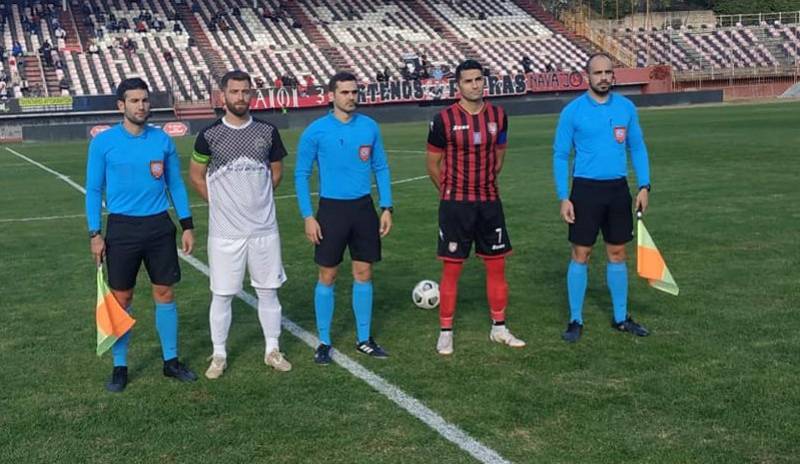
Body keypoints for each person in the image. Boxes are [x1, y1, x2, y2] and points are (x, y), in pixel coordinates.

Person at [85, 78, 197, 392]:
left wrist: (187, 225)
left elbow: (176, 185)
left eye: (145, 100)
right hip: (122, 228)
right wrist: (95, 233)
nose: (141, 106)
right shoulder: (103, 143)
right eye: (134, 100)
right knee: (122, 298)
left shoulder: (162, 140)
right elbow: (93, 190)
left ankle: (171, 362)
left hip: (159, 226)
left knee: (165, 292)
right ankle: (120, 366)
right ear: (121, 105)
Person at [189, 70, 292, 379]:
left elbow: (276, 171)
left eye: (245, 91)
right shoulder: (208, 135)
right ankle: (219, 354)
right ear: (223, 95)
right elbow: (196, 175)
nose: (240, 97)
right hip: (225, 233)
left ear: (252, 94)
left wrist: (259, 201)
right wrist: (221, 205)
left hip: (263, 230)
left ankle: (272, 349)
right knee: (222, 294)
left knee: (268, 292)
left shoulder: (268, 131)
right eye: (234, 91)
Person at [426, 59, 526, 356]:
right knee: (452, 268)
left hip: (489, 203)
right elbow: (433, 164)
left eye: (479, 79)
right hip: (456, 205)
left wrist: (484, 185)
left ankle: (499, 327)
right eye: (468, 81)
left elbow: (499, 155)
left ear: (485, 81)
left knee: (497, 266)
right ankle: (446, 332)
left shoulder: (499, 115)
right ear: (458, 85)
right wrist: (450, 192)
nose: (475, 85)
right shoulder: (442, 119)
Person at [295, 71, 393, 365]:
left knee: (364, 273)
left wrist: (386, 207)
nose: (351, 97)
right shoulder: (315, 131)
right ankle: (324, 342)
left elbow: (381, 167)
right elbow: (301, 174)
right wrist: (308, 216)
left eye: (354, 92)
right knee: (328, 275)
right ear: (332, 95)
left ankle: (364, 339)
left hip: (363, 209)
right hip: (331, 211)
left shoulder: (369, 126)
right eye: (345, 92)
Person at [552, 53, 651, 343]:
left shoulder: (626, 108)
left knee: (617, 253)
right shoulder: (572, 111)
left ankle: (621, 318)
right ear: (588, 76)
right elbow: (560, 155)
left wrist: (644, 186)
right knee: (581, 254)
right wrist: (563, 196)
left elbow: (638, 147)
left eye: (608, 72)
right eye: (598, 73)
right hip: (585, 191)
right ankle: (575, 319)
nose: (604, 77)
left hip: (617, 190)